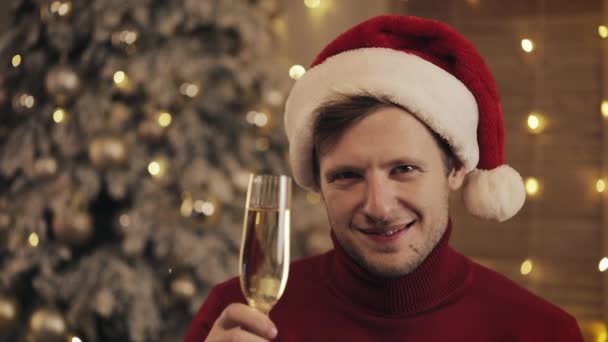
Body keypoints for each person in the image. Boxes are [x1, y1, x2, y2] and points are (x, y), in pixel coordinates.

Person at [185, 15, 584, 341]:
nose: (378, 205)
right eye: (346, 176)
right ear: (318, 184)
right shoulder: (236, 318)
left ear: (455, 170)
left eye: (404, 169)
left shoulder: (542, 332)